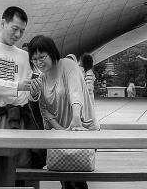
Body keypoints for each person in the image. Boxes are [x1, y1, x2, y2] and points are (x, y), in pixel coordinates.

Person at [0, 5, 43, 168]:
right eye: (15, 28)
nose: (18, 34)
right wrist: (19, 86)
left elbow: (28, 94)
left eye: (22, 31)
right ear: (3, 23)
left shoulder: (24, 55)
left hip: (22, 119)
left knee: (24, 167)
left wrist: (34, 91)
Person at [27, 35, 99, 189]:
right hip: (61, 134)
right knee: (64, 179)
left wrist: (75, 119)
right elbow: (45, 110)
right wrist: (62, 132)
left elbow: (75, 92)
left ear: (52, 52)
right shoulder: (42, 78)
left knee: (79, 179)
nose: (38, 62)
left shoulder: (68, 65)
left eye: (42, 57)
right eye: (34, 59)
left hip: (83, 129)